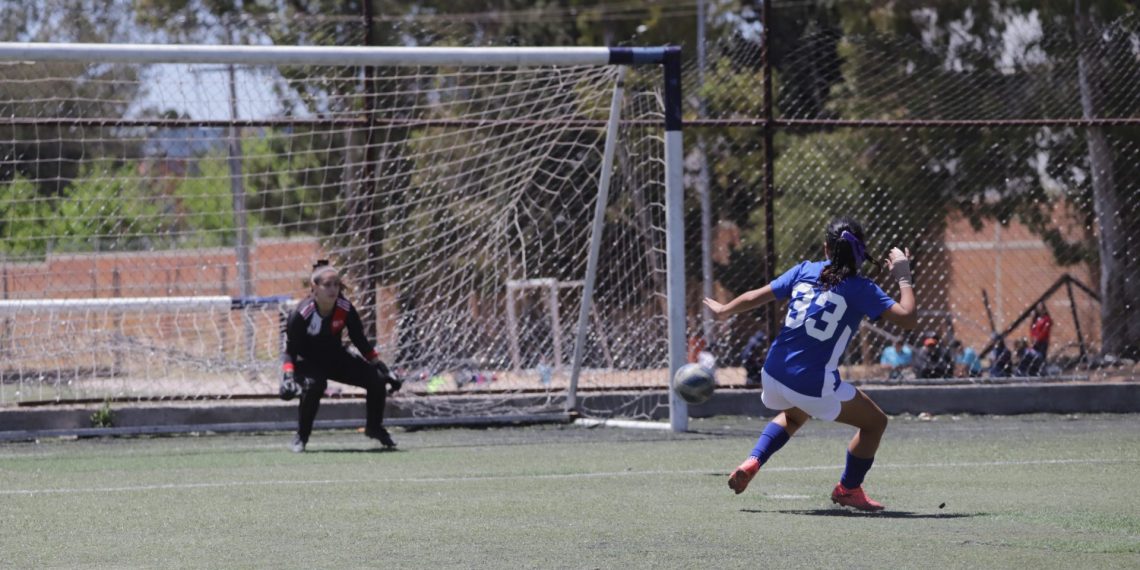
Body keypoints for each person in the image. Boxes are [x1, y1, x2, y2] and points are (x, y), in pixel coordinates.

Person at [703, 217, 917, 511]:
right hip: (810, 382)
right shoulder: (861, 288)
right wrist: (904, 275)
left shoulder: (805, 269)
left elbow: (755, 296)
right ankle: (848, 489)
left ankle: (754, 460)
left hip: (773, 372)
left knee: (794, 415)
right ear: (861, 250)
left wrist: (725, 309)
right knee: (875, 423)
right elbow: (908, 318)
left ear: (826, 248)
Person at [280, 260, 402, 453]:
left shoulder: (344, 308)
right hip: (307, 362)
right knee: (315, 384)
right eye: (327, 285)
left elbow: (360, 341)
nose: (333, 289)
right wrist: (287, 377)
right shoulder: (301, 313)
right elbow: (290, 351)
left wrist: (382, 367)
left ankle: (374, 428)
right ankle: (301, 437)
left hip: (335, 358)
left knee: (377, 379)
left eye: (336, 284)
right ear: (315, 288)